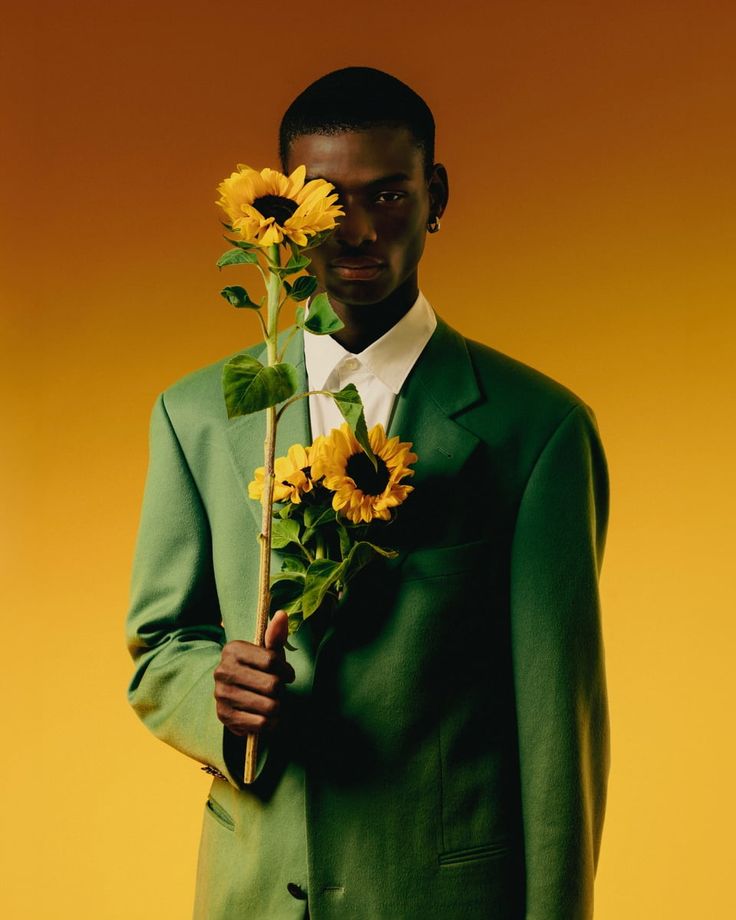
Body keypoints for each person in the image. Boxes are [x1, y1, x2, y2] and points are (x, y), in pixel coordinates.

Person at [126, 67, 610, 920]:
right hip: (253, 893)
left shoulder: (537, 430)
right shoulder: (197, 413)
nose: (355, 231)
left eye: (388, 195)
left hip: (445, 894)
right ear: (279, 213)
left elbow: (557, 731)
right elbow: (162, 645)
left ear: (436, 196)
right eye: (326, 198)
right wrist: (221, 698)